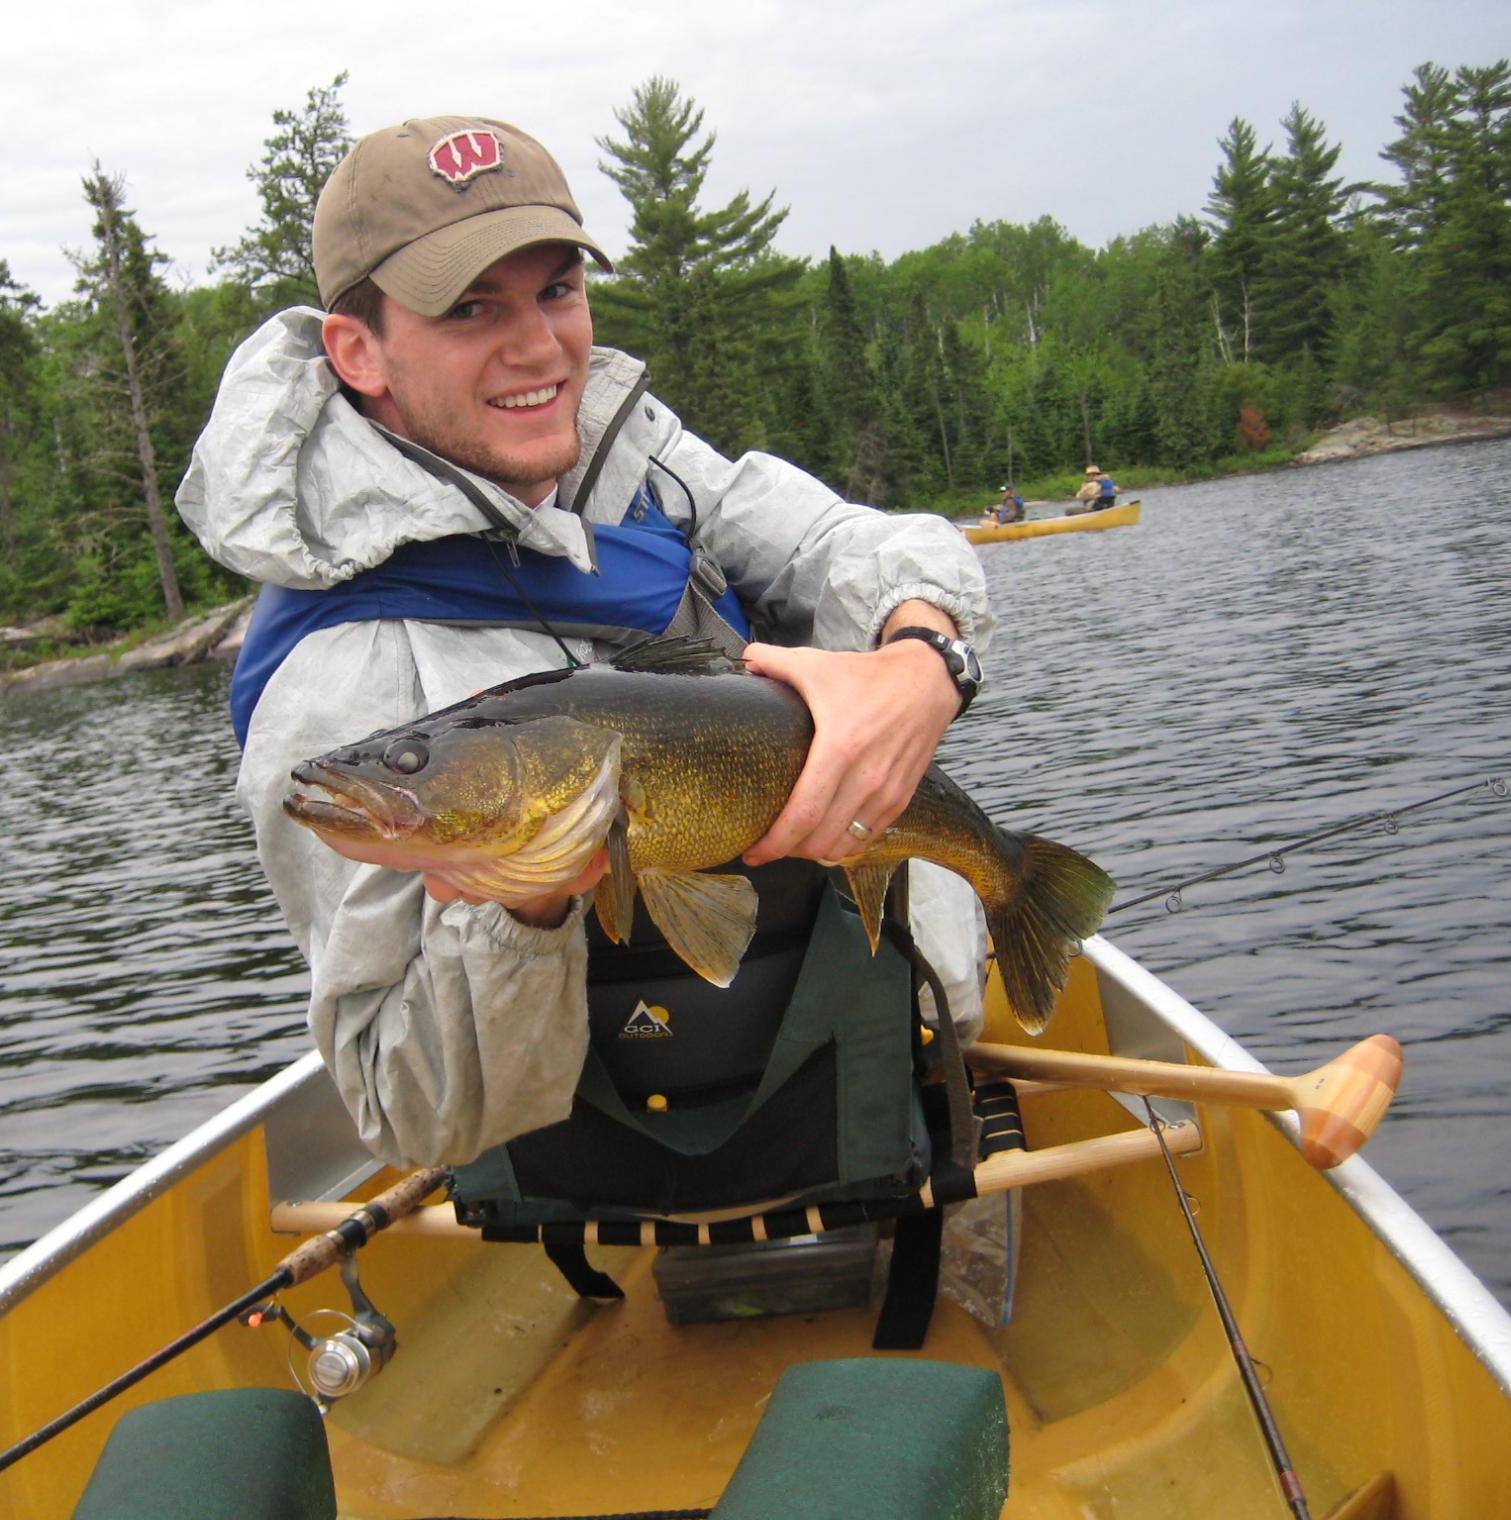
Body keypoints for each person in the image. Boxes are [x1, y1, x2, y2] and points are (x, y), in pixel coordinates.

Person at [176, 116, 994, 1192]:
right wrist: (527, 901)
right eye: (470, 308)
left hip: (869, 1068)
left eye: (555, 290)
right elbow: (405, 1104)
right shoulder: (337, 682)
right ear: (357, 351)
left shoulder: (632, 454)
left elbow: (845, 540)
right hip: (624, 1180)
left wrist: (920, 658)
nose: (537, 348)